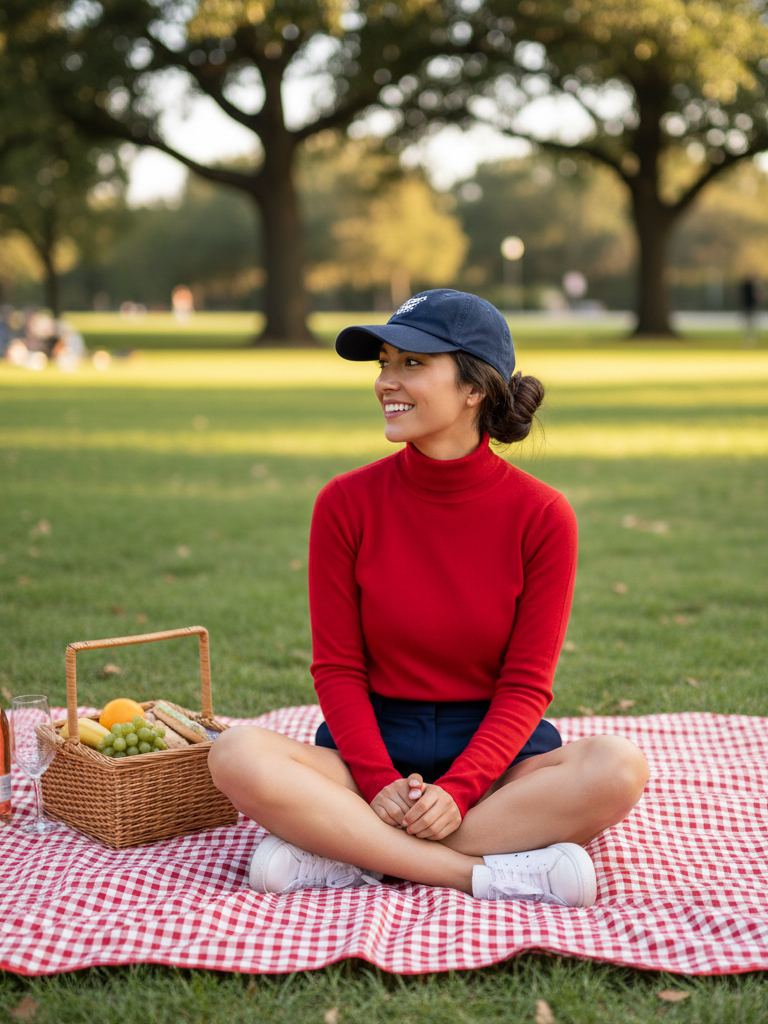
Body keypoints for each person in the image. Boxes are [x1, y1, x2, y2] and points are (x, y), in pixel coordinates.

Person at [209, 289, 649, 906]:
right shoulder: (345, 503)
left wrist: (461, 789)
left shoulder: (543, 515)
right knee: (237, 752)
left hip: (497, 762)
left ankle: (346, 851)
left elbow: (526, 686)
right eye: (384, 362)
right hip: (371, 752)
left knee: (619, 766)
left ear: (475, 389)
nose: (386, 381)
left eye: (412, 363)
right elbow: (337, 668)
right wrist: (378, 779)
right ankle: (480, 873)